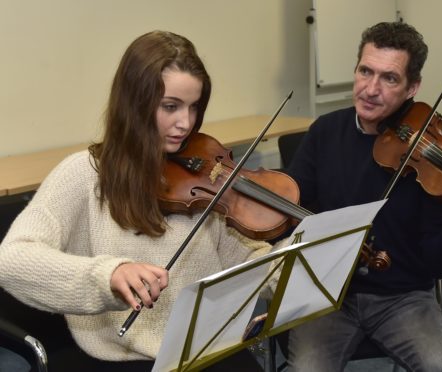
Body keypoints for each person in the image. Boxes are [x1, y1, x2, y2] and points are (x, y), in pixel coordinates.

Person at [0, 31, 271, 371]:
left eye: (194, 107)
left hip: (206, 351)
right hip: (130, 359)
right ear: (134, 102)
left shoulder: (203, 172)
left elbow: (241, 253)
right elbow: (11, 259)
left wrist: (293, 262)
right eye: (170, 107)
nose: (185, 124)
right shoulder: (83, 175)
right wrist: (108, 275)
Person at [285, 22, 442, 372]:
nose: (370, 89)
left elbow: (439, 265)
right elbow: (293, 209)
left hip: (402, 297)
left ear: (412, 88)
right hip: (328, 295)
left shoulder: (434, 159)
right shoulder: (325, 132)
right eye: (365, 71)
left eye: (389, 78)